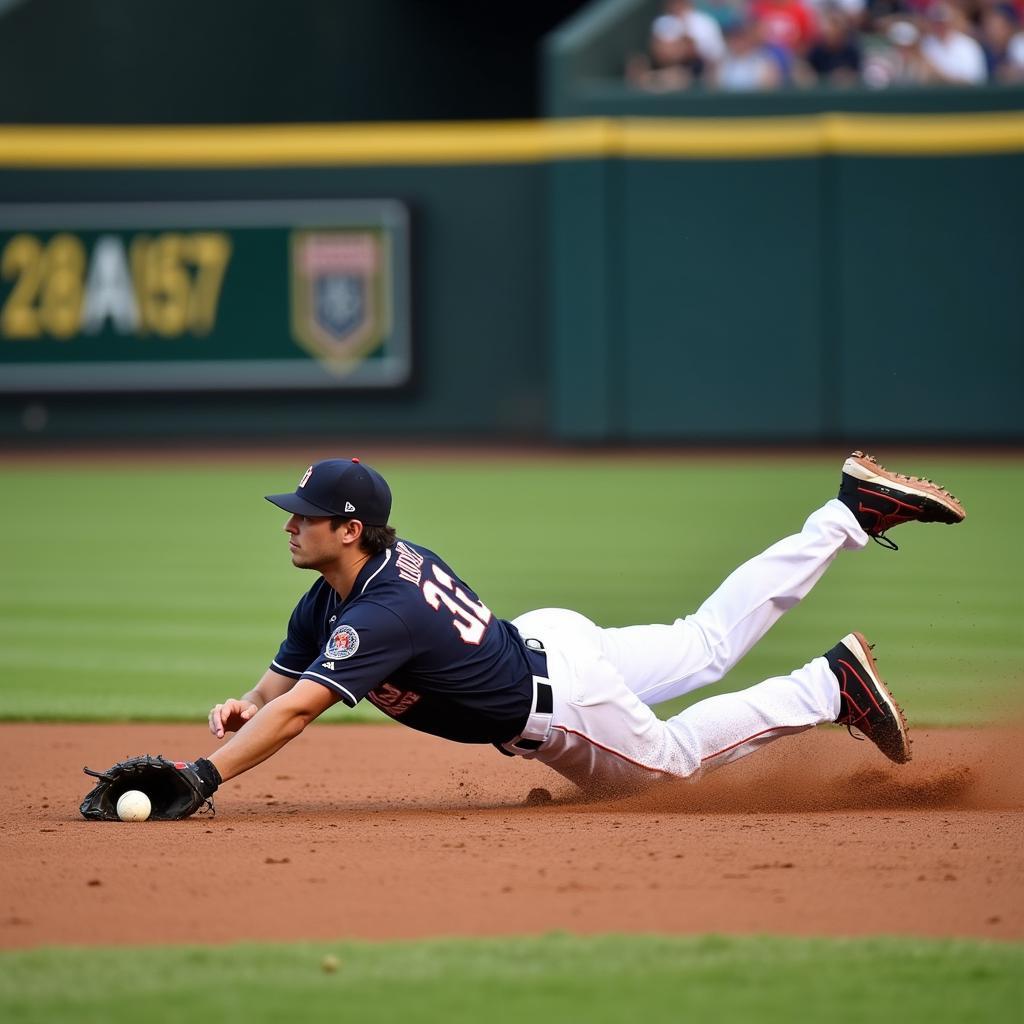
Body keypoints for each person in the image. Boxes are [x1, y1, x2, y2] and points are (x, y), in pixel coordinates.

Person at [193, 452, 965, 807]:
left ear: (351, 529)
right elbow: (281, 687)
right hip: (550, 643)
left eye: (306, 517)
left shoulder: (379, 611)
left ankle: (827, 686)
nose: (291, 527)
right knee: (703, 643)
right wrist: (245, 702)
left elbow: (300, 711)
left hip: (562, 703)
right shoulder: (342, 589)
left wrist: (204, 775)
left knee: (671, 768)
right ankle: (845, 515)